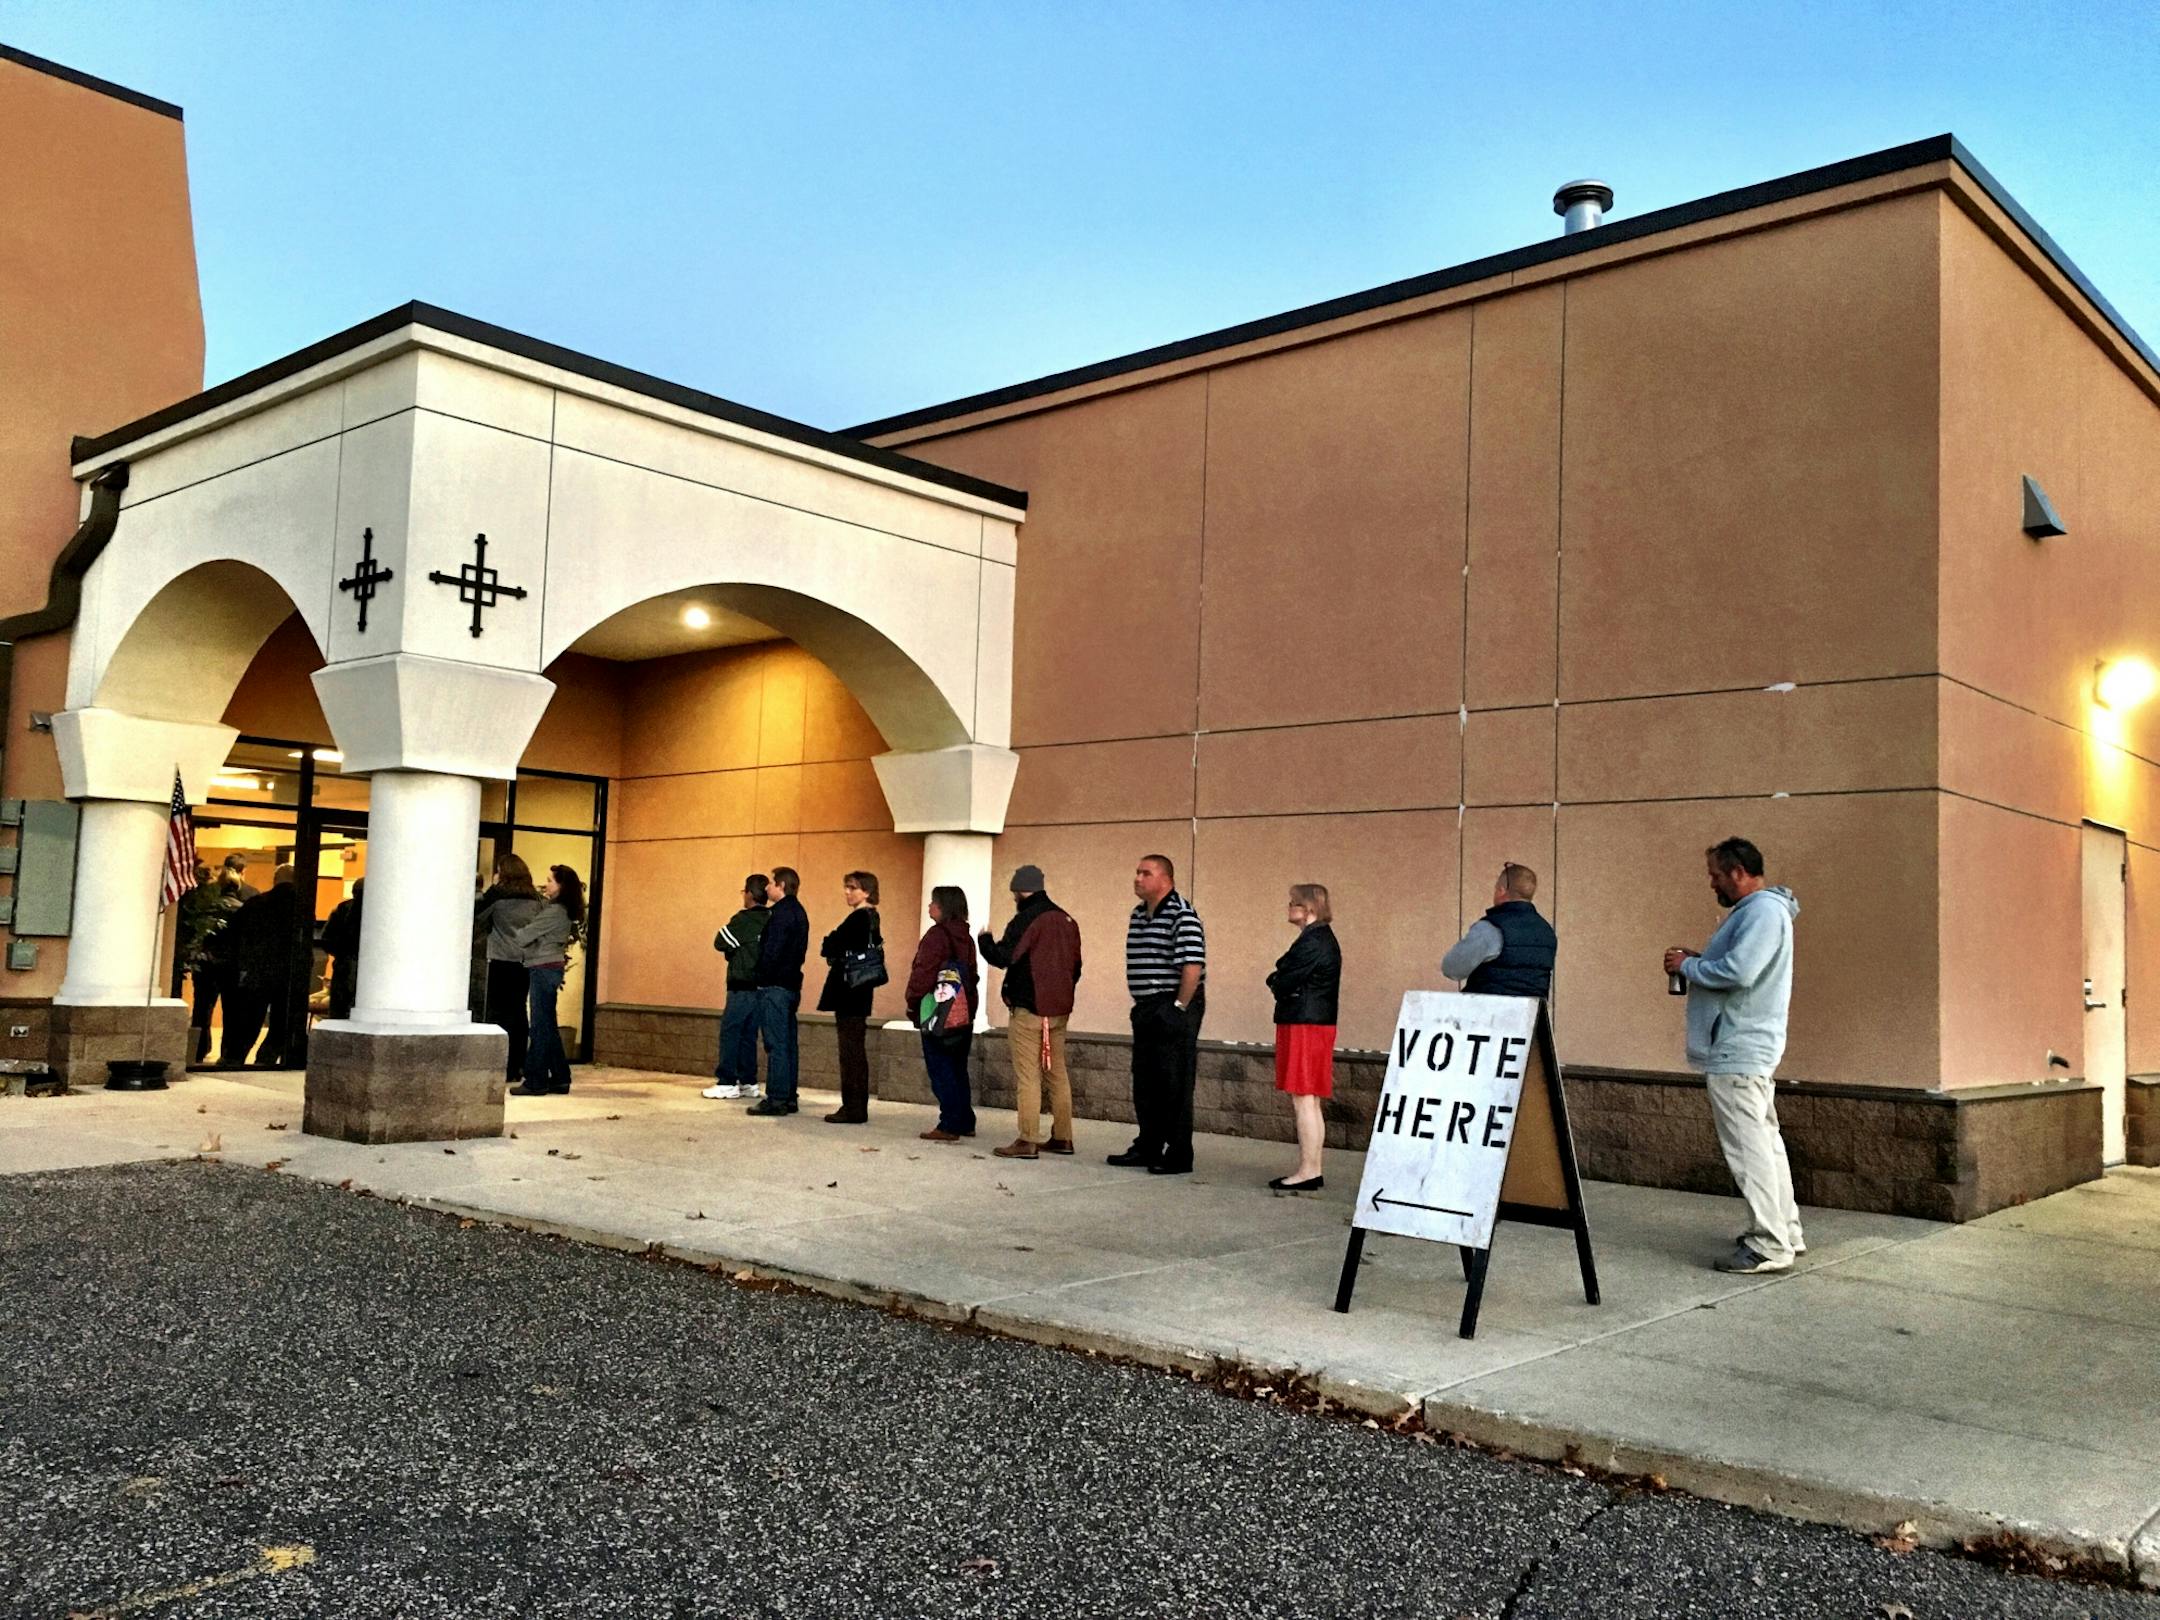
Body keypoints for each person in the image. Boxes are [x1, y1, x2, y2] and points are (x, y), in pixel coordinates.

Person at [1663, 836, 1806, 1275]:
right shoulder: (1763, 912)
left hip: (1738, 1048)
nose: (1713, 884)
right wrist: (1702, 960)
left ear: (1739, 873)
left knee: (1749, 1150)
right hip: (1749, 1047)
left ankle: (1768, 1243)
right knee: (1765, 1144)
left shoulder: (1761, 912)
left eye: (1716, 875)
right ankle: (1785, 1232)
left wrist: (1688, 967)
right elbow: (1742, 968)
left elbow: (1740, 972)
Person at [979, 864, 1083, 1160]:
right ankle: (1063, 1137)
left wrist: (985, 939)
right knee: (1057, 1073)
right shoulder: (1067, 920)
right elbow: (1076, 967)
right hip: (1059, 1010)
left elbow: (1005, 956)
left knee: (1028, 1075)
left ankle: (1027, 1140)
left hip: (1029, 1010)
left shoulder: (1027, 919)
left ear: (1018, 889)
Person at [1111, 854, 1207, 1176]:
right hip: (1146, 1007)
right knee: (1146, 1080)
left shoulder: (1182, 914)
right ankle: (1148, 1145)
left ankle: (1179, 1154)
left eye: (1145, 873)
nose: (1137, 878)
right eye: (1136, 872)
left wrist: (1179, 1008)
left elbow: (1192, 965)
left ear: (1165, 879)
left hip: (1173, 1004)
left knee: (1174, 1082)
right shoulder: (1139, 914)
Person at [1266, 883, 1341, 1193]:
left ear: (1309, 908)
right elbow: (1282, 975)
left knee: (1303, 1098)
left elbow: (1281, 979)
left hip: (1304, 1022)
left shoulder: (1313, 942)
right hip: (1313, 1021)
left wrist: (1279, 979)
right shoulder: (1317, 939)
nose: (1289, 907)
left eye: (1294, 903)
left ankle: (1309, 1170)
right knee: (1309, 1099)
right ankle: (1312, 1167)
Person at [906, 885, 979, 1142]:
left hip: (937, 1011)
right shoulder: (967, 938)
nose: (929, 907)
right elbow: (973, 975)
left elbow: (923, 973)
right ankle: (964, 1119)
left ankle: (949, 1123)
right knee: (958, 1066)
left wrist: (913, 1001)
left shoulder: (936, 936)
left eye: (932, 903)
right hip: (963, 1012)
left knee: (940, 1067)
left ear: (942, 907)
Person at [815, 871, 882, 1124]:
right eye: (846, 887)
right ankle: (856, 1106)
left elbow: (830, 945)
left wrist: (831, 941)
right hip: (860, 990)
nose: (847, 892)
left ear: (866, 891)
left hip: (849, 991)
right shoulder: (872, 918)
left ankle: (852, 1107)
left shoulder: (858, 919)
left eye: (852, 887)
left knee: (850, 1051)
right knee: (855, 1049)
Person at [511, 864, 584, 1097]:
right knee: (548, 1026)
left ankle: (535, 1080)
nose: (546, 884)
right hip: (550, 967)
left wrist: (524, 932)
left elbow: (523, 936)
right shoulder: (561, 909)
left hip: (542, 968)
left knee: (540, 1027)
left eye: (550, 880)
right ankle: (561, 1078)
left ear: (561, 885)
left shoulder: (554, 912)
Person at [745, 865, 810, 1117]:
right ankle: (789, 1095)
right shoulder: (799, 912)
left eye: (770, 884)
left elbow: (772, 950)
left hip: (775, 986)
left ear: (781, 885)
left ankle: (777, 1098)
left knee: (776, 1043)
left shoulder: (780, 914)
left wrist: (760, 975)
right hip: (791, 984)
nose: (767, 888)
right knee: (788, 1042)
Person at [476, 854, 544, 1086]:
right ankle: (518, 1064)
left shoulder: (497, 896)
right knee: (518, 1012)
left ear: (503, 873)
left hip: (501, 960)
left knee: (499, 1013)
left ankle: (502, 1065)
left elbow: (477, 917)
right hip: (526, 962)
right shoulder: (536, 899)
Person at [223, 864, 301, 1066]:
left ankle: (234, 1058)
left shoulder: (256, 903)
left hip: (259, 971)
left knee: (249, 1020)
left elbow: (234, 935)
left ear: (275, 879)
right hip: (289, 972)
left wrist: (242, 965)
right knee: (282, 1023)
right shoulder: (301, 906)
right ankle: (265, 1060)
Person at [702, 874, 770, 1101]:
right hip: (762, 987)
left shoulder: (743, 920)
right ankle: (749, 1082)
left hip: (741, 985)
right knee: (749, 1036)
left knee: (731, 1032)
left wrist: (735, 952)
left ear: (750, 894)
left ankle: (727, 1081)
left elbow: (720, 941)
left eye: (744, 892)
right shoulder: (771, 918)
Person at [1442, 863, 1557, 996]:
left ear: (1502, 890)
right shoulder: (1547, 932)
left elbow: (1452, 968)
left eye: (1496, 889)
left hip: (1489, 1012)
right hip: (1532, 1015)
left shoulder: (1491, 928)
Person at [320, 878, 366, 1020]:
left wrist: (340, 954)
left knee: (339, 1011)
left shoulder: (342, 909)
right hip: (363, 968)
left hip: (344, 966)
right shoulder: (379, 912)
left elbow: (327, 939)